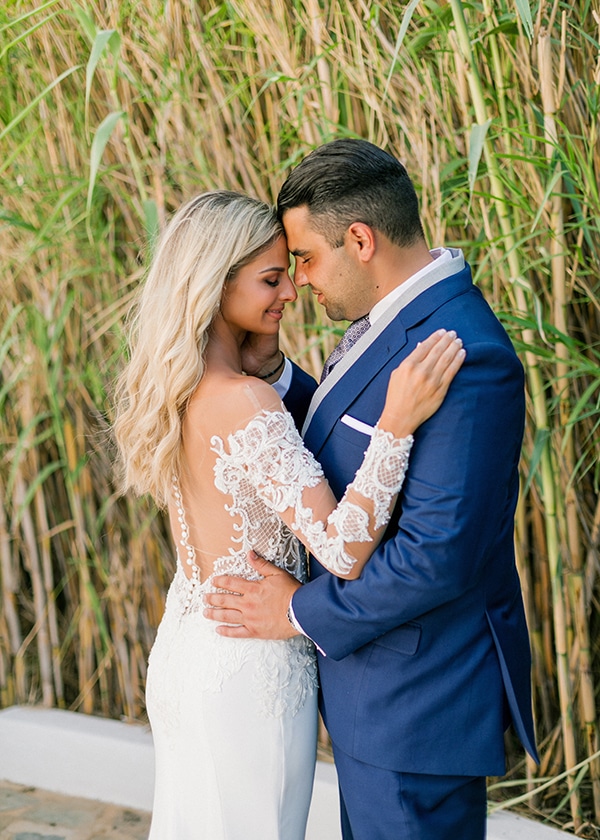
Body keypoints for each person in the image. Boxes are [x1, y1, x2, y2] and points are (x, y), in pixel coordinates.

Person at [203, 140, 539, 840]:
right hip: (376, 697)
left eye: (307, 259)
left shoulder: (465, 356)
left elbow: (434, 558)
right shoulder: (389, 318)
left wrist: (298, 612)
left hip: (417, 707)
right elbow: (344, 433)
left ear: (359, 239)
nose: (299, 282)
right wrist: (280, 377)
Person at [113, 189, 465, 840]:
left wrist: (272, 365)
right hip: (252, 673)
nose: (290, 292)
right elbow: (341, 548)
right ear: (216, 287)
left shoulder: (180, 390)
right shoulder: (244, 402)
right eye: (271, 279)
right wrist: (395, 425)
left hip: (186, 654)